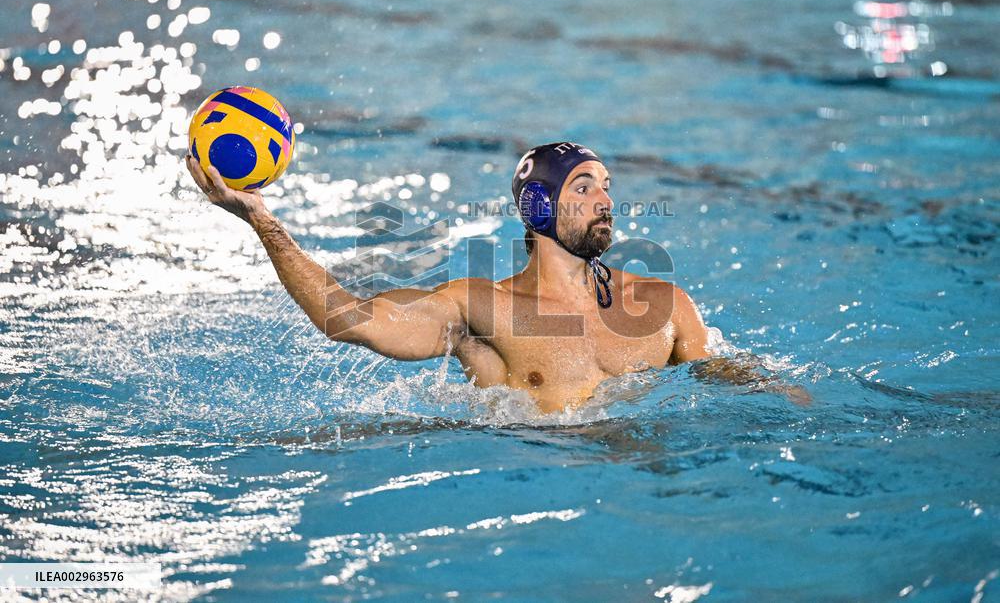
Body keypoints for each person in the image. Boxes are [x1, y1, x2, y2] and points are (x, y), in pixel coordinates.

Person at [184, 141, 810, 413]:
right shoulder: (480, 308)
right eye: (584, 187)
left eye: (608, 187)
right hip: (537, 484)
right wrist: (260, 220)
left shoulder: (664, 302)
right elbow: (342, 318)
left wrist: (789, 397)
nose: (605, 201)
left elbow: (719, 373)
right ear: (540, 207)